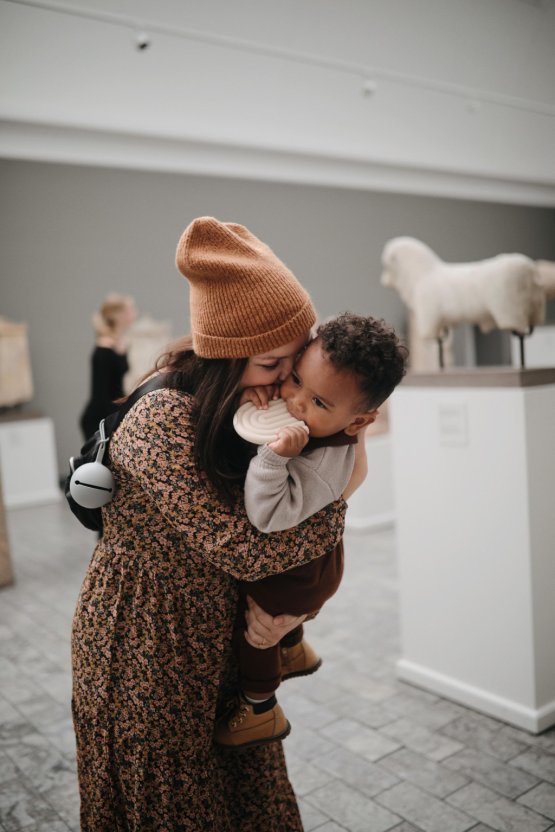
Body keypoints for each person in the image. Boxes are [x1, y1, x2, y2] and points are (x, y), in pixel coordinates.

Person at [71, 216, 348, 832]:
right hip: (146, 639)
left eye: (293, 367)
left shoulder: (245, 410)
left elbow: (277, 521)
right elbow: (246, 550)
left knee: (251, 799)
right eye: (272, 364)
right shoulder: (161, 418)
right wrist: (341, 492)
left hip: (215, 637)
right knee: (170, 804)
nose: (283, 384)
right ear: (222, 358)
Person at [215, 313, 408, 749]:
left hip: (299, 575)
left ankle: (260, 707)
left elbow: (266, 516)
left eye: (319, 403)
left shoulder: (323, 466)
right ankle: (297, 649)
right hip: (314, 558)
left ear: (358, 423)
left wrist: (271, 459)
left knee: (256, 629)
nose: (297, 402)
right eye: (296, 379)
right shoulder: (315, 421)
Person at [79, 293, 137, 440]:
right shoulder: (104, 350)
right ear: (119, 316)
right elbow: (102, 394)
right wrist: (116, 418)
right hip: (100, 417)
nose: (134, 314)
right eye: (130, 310)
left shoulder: (119, 345)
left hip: (112, 412)